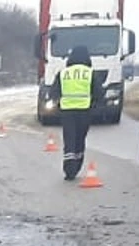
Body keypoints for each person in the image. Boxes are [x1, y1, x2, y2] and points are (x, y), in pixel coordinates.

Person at [53, 45, 95, 180]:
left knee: (69, 140)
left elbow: (54, 92)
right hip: (84, 112)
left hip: (67, 112)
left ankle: (69, 170)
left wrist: (59, 104)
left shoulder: (63, 73)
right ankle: (76, 166)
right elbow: (98, 93)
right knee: (80, 139)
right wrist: (94, 106)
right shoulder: (89, 73)